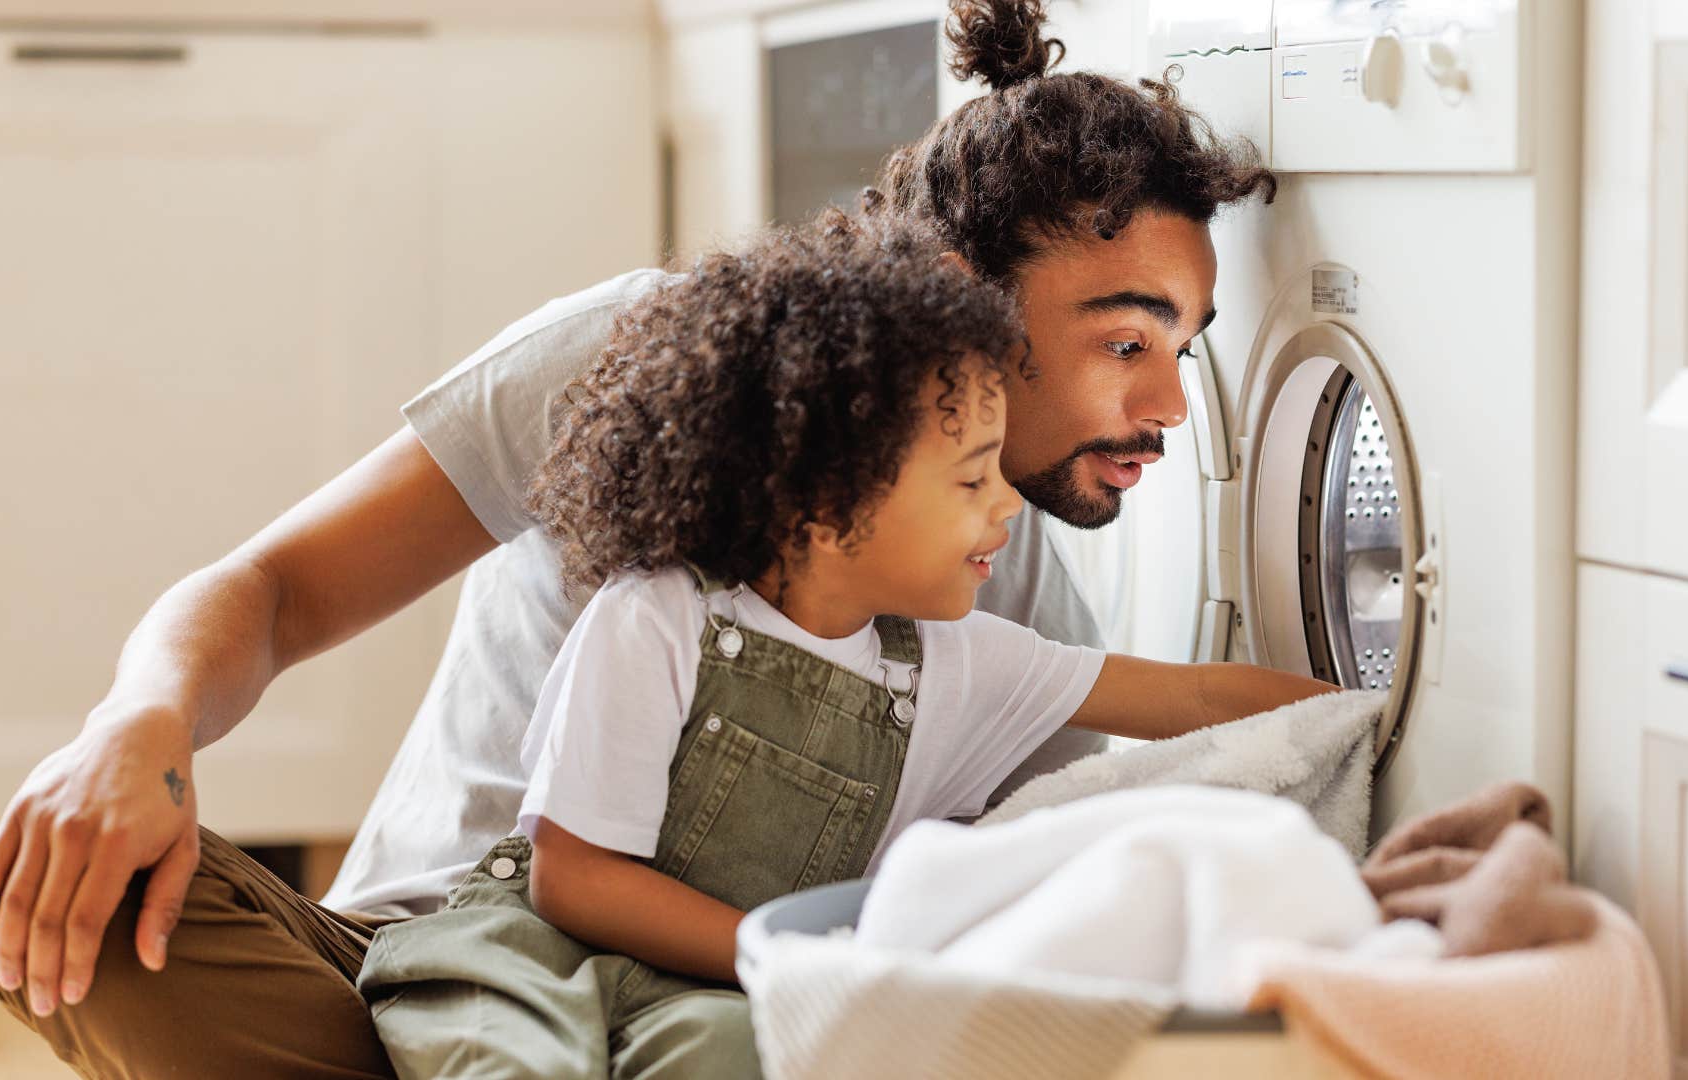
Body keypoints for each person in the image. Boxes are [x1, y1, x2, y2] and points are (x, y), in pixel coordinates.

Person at [0, 1, 1274, 1075]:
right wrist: (138, 723)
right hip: (429, 967)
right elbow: (278, 589)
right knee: (51, 897)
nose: (1169, 407)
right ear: (957, 292)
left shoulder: (999, 589)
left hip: (700, 1022)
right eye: (1125, 340)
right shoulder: (652, 359)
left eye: (1186, 349)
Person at [357, 211, 1330, 1078]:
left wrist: (1371, 714)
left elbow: (1195, 699)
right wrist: (790, 954)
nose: (1007, 506)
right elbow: (574, 878)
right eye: (971, 479)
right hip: (536, 957)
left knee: (732, 1054)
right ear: (827, 503)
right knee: (518, 1064)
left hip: (711, 988)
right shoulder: (657, 618)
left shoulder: (960, 658)